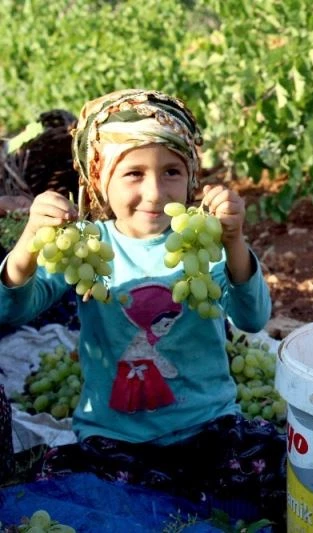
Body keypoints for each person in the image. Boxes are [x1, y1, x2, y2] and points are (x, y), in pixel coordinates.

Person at [0, 90, 286, 527]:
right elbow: (13, 310)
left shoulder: (201, 241)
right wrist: (27, 246)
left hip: (208, 429)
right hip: (116, 439)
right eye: (133, 173)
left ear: (191, 179)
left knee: (281, 468)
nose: (154, 192)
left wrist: (234, 242)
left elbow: (252, 318)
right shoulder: (87, 247)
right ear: (99, 181)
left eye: (172, 171)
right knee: (100, 497)